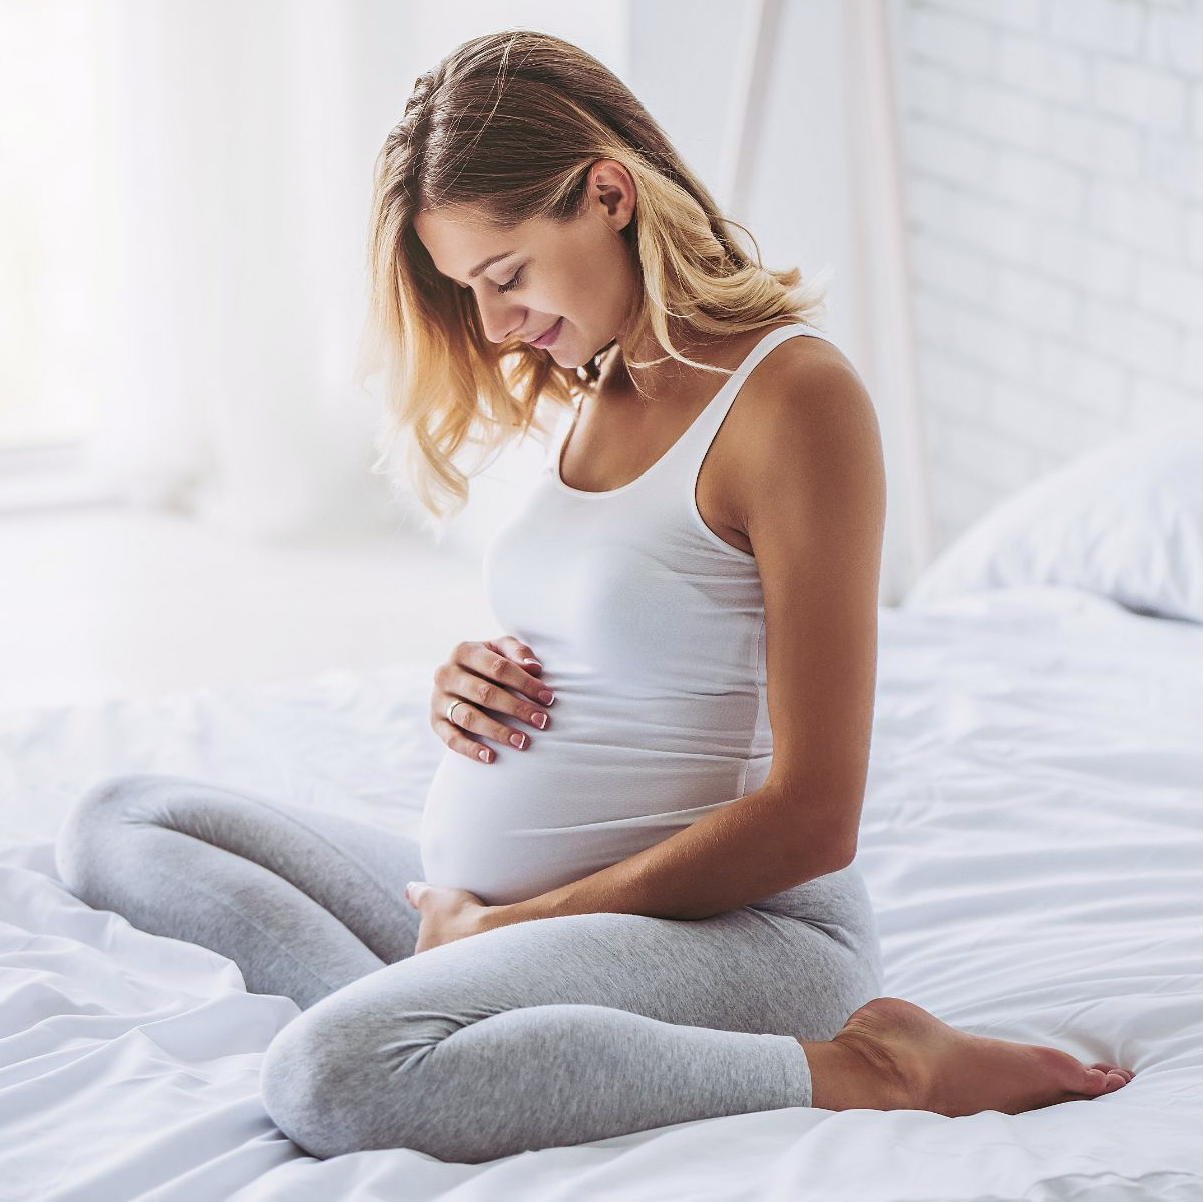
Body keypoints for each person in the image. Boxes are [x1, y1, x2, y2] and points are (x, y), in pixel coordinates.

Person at [54, 28, 1133, 1165]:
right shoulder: (603, 376)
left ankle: (866, 1066)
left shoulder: (794, 400)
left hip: (745, 935)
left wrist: (514, 928)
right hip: (523, 916)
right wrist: (467, 684)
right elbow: (632, 636)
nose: (494, 325)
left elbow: (818, 814)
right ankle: (464, 1006)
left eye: (506, 274)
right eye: (472, 291)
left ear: (608, 194)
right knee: (121, 820)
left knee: (330, 1075)